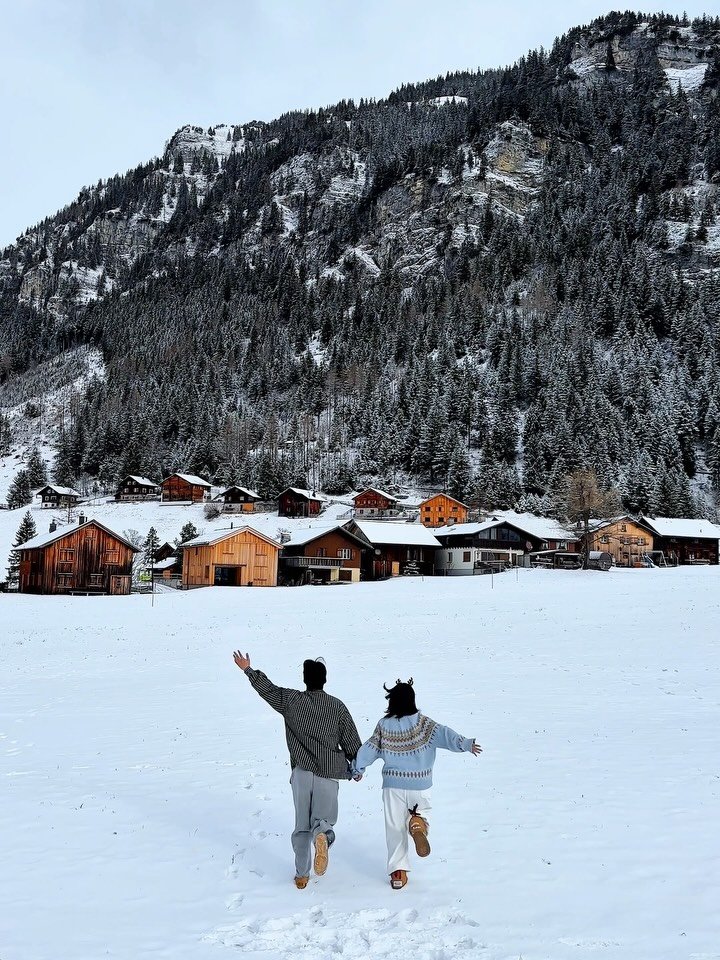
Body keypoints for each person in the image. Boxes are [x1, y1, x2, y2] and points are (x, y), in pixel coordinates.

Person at [233, 651, 361, 889]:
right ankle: (321, 835)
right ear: (324, 680)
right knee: (323, 820)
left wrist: (248, 670)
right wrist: (357, 767)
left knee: (302, 825)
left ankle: (302, 875)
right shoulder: (337, 707)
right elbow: (352, 741)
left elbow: (268, 690)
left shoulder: (291, 701)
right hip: (328, 773)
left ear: (305, 680)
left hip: (302, 773)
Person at [352, 678, 482, 890]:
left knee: (394, 828)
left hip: (393, 785)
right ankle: (419, 824)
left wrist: (357, 769)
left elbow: (370, 749)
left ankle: (398, 873)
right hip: (420, 783)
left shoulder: (384, 726)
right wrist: (465, 744)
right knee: (422, 812)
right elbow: (446, 735)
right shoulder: (424, 724)